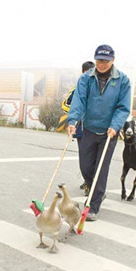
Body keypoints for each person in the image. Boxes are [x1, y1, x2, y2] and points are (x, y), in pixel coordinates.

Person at [67, 45, 131, 222]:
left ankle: (93, 205)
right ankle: (97, 192)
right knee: (86, 167)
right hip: (88, 128)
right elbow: (79, 100)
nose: (101, 64)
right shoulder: (86, 78)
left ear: (113, 60)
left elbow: (123, 107)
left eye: (105, 61)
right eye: (99, 60)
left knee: (101, 169)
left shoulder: (122, 80)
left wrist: (116, 125)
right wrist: (72, 120)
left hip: (109, 132)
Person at [61, 61, 95, 192]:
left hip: (97, 129)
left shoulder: (100, 90)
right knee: (85, 159)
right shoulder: (76, 89)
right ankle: (88, 181)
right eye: (87, 73)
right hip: (81, 129)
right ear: (83, 73)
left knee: (96, 159)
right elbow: (65, 105)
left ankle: (92, 184)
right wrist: (78, 112)